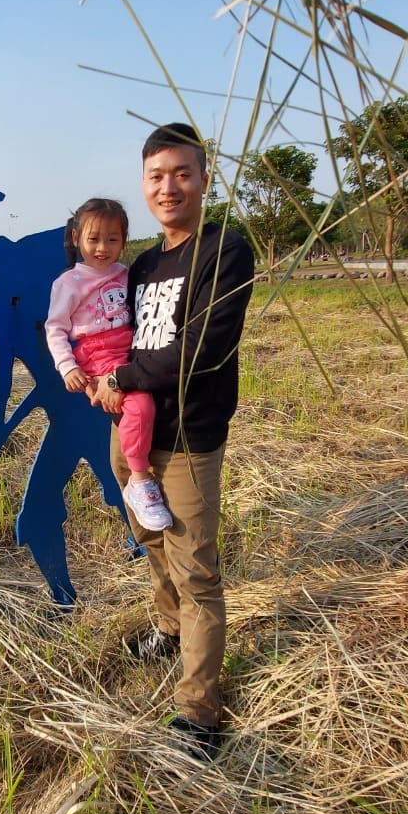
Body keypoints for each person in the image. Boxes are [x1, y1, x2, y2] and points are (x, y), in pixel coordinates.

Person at [89, 122, 254, 760]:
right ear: (144, 185)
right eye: (156, 176)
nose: (169, 187)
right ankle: (166, 630)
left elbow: (201, 350)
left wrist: (119, 376)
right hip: (132, 431)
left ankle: (200, 713)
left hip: (187, 439)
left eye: (182, 173)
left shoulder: (224, 250)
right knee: (150, 542)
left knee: (197, 571)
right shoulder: (143, 266)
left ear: (204, 180)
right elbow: (122, 336)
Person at [45, 198, 172, 531]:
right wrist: (69, 368)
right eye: (93, 239)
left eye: (113, 239)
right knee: (140, 406)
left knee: (154, 399)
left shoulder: (125, 274)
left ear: (124, 241)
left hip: (130, 347)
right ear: (76, 238)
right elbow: (55, 328)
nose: (103, 247)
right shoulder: (69, 283)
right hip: (98, 354)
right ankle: (140, 480)